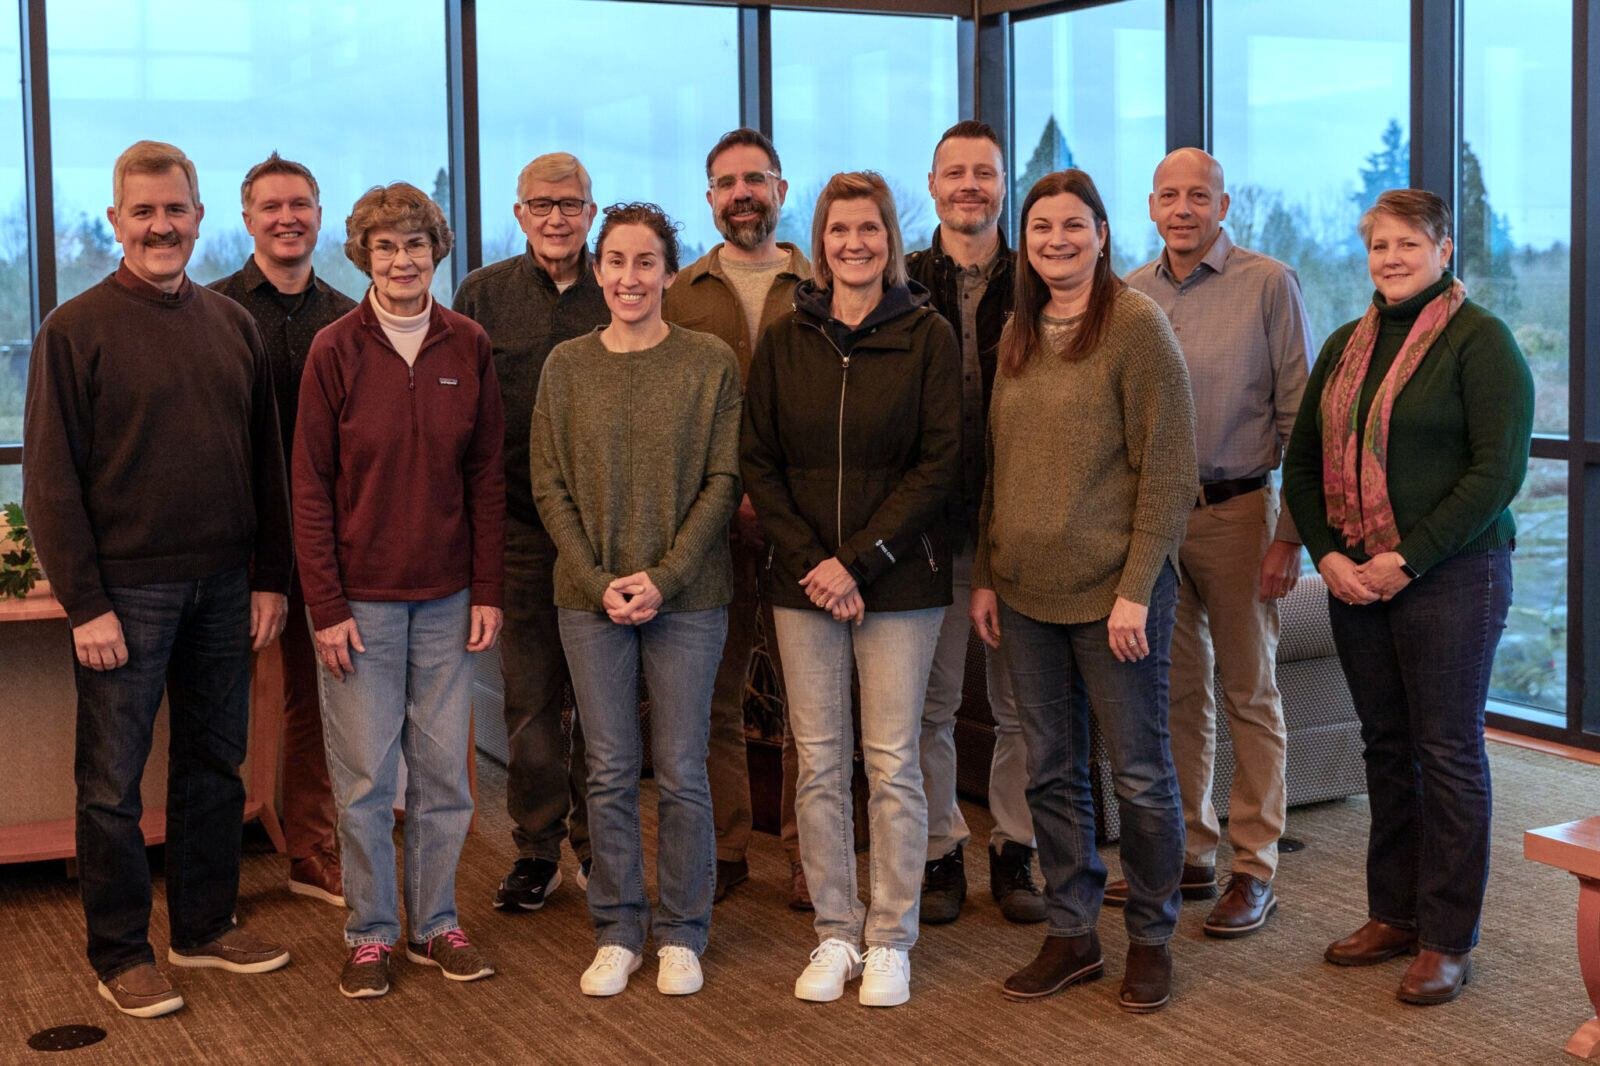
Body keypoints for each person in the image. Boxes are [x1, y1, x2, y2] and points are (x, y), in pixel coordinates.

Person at [23, 140, 293, 1019]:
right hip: (125, 596)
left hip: (224, 582)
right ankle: (120, 951)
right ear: (115, 222)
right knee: (112, 783)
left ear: (199, 216)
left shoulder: (232, 325)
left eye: (174, 209)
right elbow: (50, 479)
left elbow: (268, 465)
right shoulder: (74, 329)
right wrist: (86, 603)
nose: (160, 225)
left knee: (216, 763)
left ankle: (205, 925)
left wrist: (270, 579)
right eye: (142, 212)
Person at [1283, 188, 1533, 1006]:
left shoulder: (1481, 342)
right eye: (1378, 245)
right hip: (1355, 581)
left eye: (1407, 244)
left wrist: (1406, 559)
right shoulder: (1347, 345)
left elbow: (1496, 475)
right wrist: (1327, 552)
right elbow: (1304, 460)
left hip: (1454, 577)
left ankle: (1446, 938)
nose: (1390, 258)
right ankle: (1392, 914)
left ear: (1444, 248)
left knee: (1448, 752)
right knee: (1385, 747)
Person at [972, 169, 1196, 1013]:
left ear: (1103, 233)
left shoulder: (1137, 328)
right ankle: (1071, 933)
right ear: (1024, 244)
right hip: (1025, 596)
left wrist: (1138, 589)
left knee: (1139, 775)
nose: (1057, 240)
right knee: (1051, 773)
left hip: (1116, 598)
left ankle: (1150, 936)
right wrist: (988, 575)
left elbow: (1170, 473)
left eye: (1074, 225)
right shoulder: (1018, 330)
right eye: (1041, 228)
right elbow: (999, 463)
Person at [742, 171, 960, 1008]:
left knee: (893, 760)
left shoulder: (927, 335)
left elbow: (940, 463)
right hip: (805, 583)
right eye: (839, 231)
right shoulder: (787, 334)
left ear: (889, 239)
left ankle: (890, 937)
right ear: (821, 240)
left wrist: (860, 561)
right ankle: (835, 932)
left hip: (900, 584)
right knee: (821, 762)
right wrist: (815, 562)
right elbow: (758, 456)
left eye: (869, 229)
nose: (854, 244)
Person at [294, 182, 505, 1000]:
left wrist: (487, 589)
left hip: (450, 599)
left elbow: (487, 478)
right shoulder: (335, 350)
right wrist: (327, 606)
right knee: (365, 782)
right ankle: (371, 932)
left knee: (445, 776)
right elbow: (308, 486)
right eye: (385, 246)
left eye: (415, 243)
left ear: (436, 250)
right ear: (364, 256)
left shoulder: (468, 345)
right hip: (361, 606)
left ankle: (436, 924)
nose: (402, 258)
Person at [532, 202, 742, 999]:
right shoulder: (566, 366)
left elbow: (723, 482)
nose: (629, 277)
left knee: (683, 769)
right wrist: (597, 581)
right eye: (615, 261)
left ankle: (683, 932)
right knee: (612, 769)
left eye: (645, 262)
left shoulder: (709, 362)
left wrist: (665, 576)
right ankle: (619, 929)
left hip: (688, 600)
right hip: (589, 602)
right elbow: (547, 483)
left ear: (668, 271)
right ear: (598, 270)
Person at [1118, 147, 1313, 937]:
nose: (1184, 208)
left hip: (1240, 515)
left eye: (1199, 195)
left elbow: (1303, 418)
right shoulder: (1129, 293)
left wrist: (1289, 537)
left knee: (1249, 691)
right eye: (1169, 195)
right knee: (1177, 694)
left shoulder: (1269, 283)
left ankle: (1254, 866)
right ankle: (1193, 851)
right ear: (1152, 206)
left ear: (1224, 206)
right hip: (1157, 519)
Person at [454, 151, 606, 912]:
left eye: (570, 204)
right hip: (516, 531)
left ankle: (600, 850)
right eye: (541, 205)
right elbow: (466, 423)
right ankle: (537, 849)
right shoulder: (482, 295)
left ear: (591, 211)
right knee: (533, 702)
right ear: (518, 214)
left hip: (606, 537)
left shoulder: (617, 288)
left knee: (604, 699)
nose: (556, 217)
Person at [663, 127, 810, 907]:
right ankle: (723, 848)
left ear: (781, 190)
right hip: (709, 524)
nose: (742, 192)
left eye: (756, 178)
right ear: (711, 199)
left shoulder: (822, 283)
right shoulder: (678, 293)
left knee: (807, 701)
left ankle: (805, 851)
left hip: (802, 526)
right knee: (711, 697)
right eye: (726, 182)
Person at [907, 119, 1044, 926]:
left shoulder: (1039, 278)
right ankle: (939, 849)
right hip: (930, 526)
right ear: (932, 185)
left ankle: (1017, 849)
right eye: (953, 171)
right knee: (928, 706)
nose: (969, 185)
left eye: (984, 173)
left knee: (1021, 703)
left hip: (1022, 523)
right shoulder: (901, 277)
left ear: (1002, 186)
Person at [211, 151, 357, 910]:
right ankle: (212, 869)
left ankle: (311, 850)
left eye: (299, 203)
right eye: (270, 206)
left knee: (315, 700)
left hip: (326, 543)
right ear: (247, 220)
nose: (286, 217)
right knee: (216, 700)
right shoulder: (211, 311)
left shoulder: (346, 314)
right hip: (233, 539)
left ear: (318, 213)